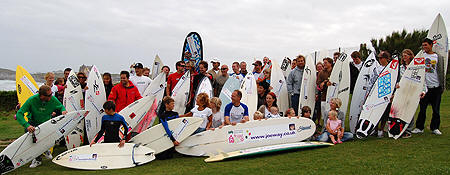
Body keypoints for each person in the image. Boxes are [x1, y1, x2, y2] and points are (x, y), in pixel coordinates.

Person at [16, 85, 67, 168]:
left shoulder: (52, 99)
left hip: (46, 123)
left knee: (43, 139)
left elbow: (60, 106)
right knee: (33, 141)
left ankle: (45, 149)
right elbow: (19, 114)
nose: (51, 96)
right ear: (42, 96)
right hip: (33, 123)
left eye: (51, 94)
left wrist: (63, 110)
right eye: (49, 95)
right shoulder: (32, 100)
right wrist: (27, 125)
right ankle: (38, 159)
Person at [412, 38, 446, 135]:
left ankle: (435, 128)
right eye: (423, 45)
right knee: (422, 109)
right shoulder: (421, 56)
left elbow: (441, 72)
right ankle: (419, 127)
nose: (424, 47)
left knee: (436, 110)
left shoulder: (438, 57)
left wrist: (442, 86)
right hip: (424, 88)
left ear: (431, 45)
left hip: (436, 87)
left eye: (426, 45)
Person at [397, 49, 415, 138]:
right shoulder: (400, 68)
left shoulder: (416, 67)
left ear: (410, 56)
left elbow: (422, 80)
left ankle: (408, 130)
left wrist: (423, 91)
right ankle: (401, 128)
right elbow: (398, 80)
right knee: (402, 110)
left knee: (410, 110)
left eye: (406, 56)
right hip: (402, 92)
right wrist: (397, 85)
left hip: (413, 91)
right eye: (403, 56)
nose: (404, 57)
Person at [376, 51, 391, 138]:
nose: (380, 60)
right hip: (378, 93)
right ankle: (375, 129)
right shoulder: (377, 69)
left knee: (385, 113)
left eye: (381, 58)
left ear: (386, 58)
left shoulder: (392, 68)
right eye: (379, 58)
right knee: (377, 111)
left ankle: (382, 129)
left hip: (388, 94)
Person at [317, 57, 333, 123]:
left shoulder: (334, 71)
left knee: (332, 109)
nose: (324, 64)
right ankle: (325, 125)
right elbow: (318, 83)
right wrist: (324, 83)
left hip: (333, 95)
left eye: (326, 63)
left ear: (330, 63)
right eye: (324, 63)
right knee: (324, 109)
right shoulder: (321, 73)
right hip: (324, 95)